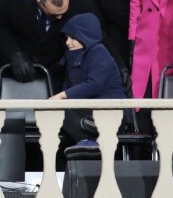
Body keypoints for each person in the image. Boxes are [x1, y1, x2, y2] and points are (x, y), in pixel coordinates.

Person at [0, 0, 100, 83]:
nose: (59, 18)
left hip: (57, 75)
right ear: (38, 2)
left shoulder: (83, 2)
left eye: (63, 13)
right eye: (54, 14)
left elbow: (96, 36)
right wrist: (14, 54)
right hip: (15, 73)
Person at [49, 12, 124, 144]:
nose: (68, 42)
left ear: (85, 35)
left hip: (109, 109)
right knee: (56, 109)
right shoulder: (70, 56)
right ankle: (87, 136)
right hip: (85, 110)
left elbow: (94, 85)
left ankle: (88, 136)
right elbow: (69, 86)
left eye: (73, 37)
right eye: (66, 38)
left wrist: (62, 95)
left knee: (60, 107)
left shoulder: (99, 52)